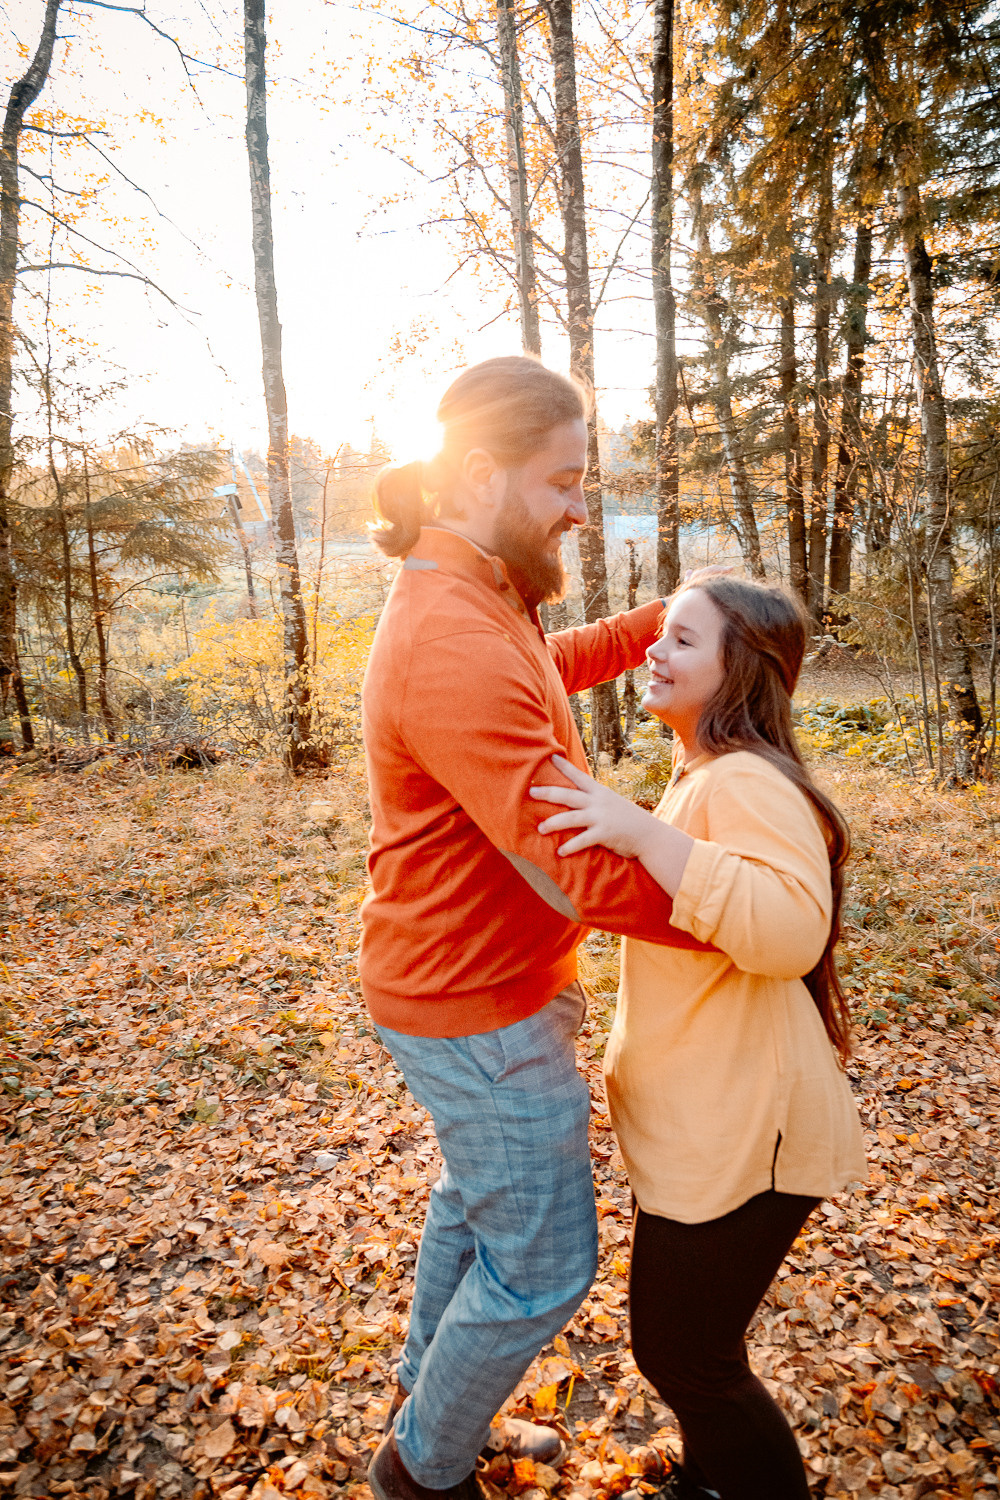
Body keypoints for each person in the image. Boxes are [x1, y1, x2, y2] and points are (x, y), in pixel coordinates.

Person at [360, 356, 714, 1500]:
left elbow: (543, 675)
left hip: (484, 987)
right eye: (563, 481)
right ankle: (423, 1470)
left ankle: (433, 1414)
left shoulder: (475, 596)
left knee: (474, 1211)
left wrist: (667, 624)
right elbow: (575, 875)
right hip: (475, 1008)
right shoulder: (451, 633)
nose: (578, 504)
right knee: (544, 1266)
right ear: (479, 472)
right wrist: (752, 919)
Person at [531, 575, 868, 1500]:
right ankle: (715, 1483)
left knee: (691, 1363)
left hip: (748, 1137)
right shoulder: (705, 776)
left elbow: (793, 927)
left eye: (681, 640)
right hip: (712, 1131)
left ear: (738, 672)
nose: (653, 652)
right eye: (658, 635)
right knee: (692, 1355)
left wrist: (643, 833)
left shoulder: (746, 780)